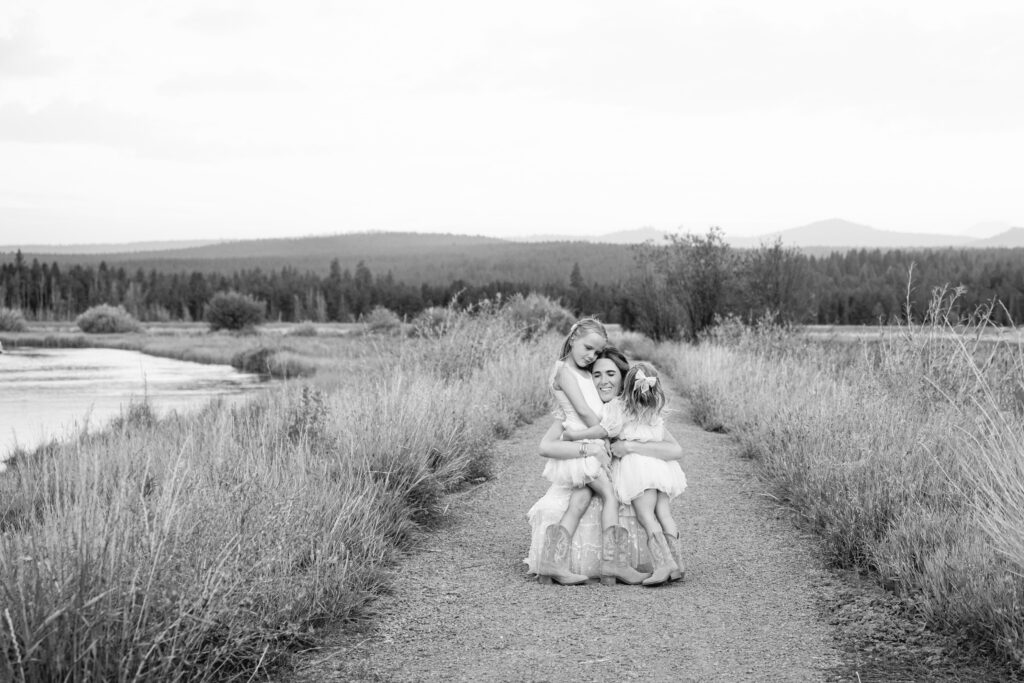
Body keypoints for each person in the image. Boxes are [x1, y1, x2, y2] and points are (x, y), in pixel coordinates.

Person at [529, 346, 668, 585]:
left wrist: (630, 448)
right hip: (590, 467)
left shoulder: (632, 407)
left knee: (590, 495)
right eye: (597, 375)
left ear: (624, 378)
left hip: (614, 474)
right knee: (585, 494)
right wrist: (588, 448)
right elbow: (546, 446)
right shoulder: (581, 408)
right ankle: (608, 565)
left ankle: (576, 564)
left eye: (611, 374)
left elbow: (674, 449)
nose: (603, 381)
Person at [612, 362, 687, 586]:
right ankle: (677, 564)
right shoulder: (656, 417)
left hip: (638, 471)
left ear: (627, 389)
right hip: (662, 469)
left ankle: (664, 565)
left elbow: (612, 434)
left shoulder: (623, 412)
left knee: (646, 516)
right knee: (664, 513)